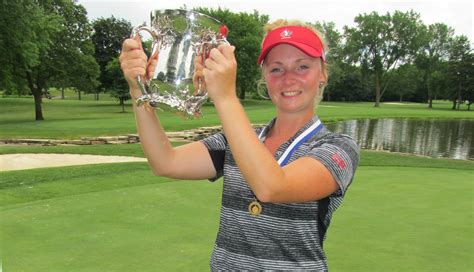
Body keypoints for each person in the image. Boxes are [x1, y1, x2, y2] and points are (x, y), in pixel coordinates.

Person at [120, 19, 359, 271]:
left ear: (322, 74)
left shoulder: (338, 148)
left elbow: (272, 187)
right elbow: (164, 162)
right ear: (264, 76)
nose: (289, 79)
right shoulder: (236, 138)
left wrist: (224, 96)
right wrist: (138, 89)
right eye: (276, 69)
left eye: (302, 67)